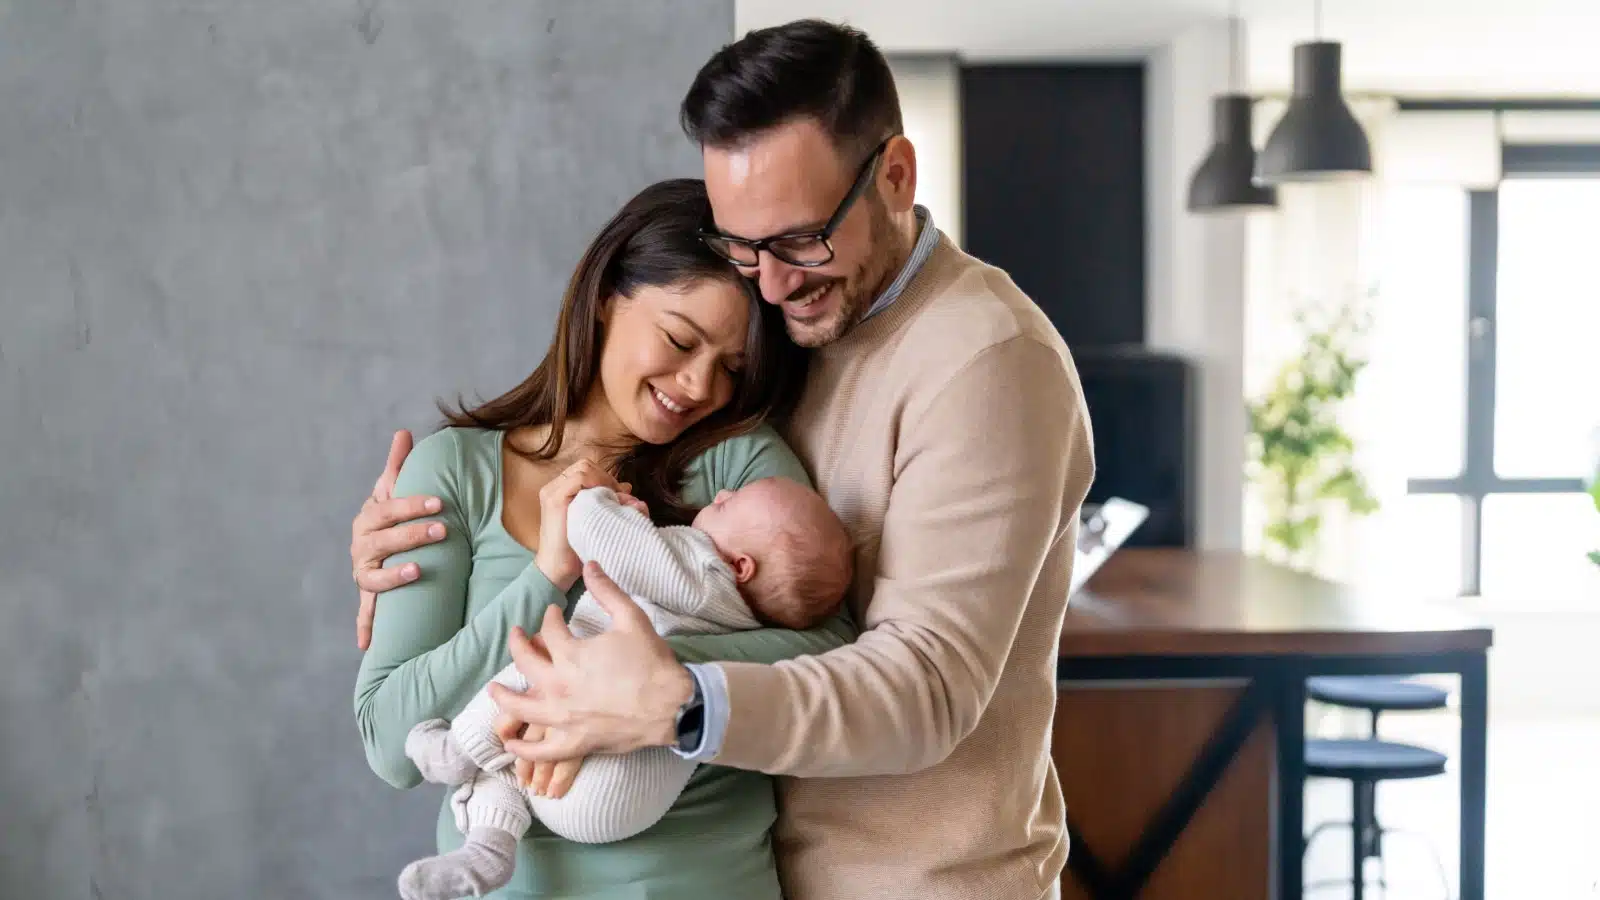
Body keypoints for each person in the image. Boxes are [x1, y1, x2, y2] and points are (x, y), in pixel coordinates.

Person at [353, 18, 1096, 900]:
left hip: (912, 880)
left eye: (796, 241)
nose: (771, 283)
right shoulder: (809, 328)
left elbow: (925, 683)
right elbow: (396, 715)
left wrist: (671, 697)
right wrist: (433, 556)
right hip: (791, 868)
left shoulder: (985, 362)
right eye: (747, 248)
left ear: (895, 176)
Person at [351, 177, 855, 900]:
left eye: (731, 368)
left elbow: (837, 652)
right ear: (608, 295)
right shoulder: (456, 472)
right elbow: (390, 743)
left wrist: (635, 679)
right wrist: (546, 577)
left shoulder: (738, 469)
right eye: (680, 339)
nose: (697, 385)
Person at [397, 480, 851, 899]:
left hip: (601, 782)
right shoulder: (742, 621)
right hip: (621, 805)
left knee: (540, 662)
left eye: (728, 503)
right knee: (516, 759)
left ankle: (458, 750)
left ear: (740, 566)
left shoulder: (702, 570)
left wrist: (599, 499)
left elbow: (605, 539)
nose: (720, 494)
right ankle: (487, 853)